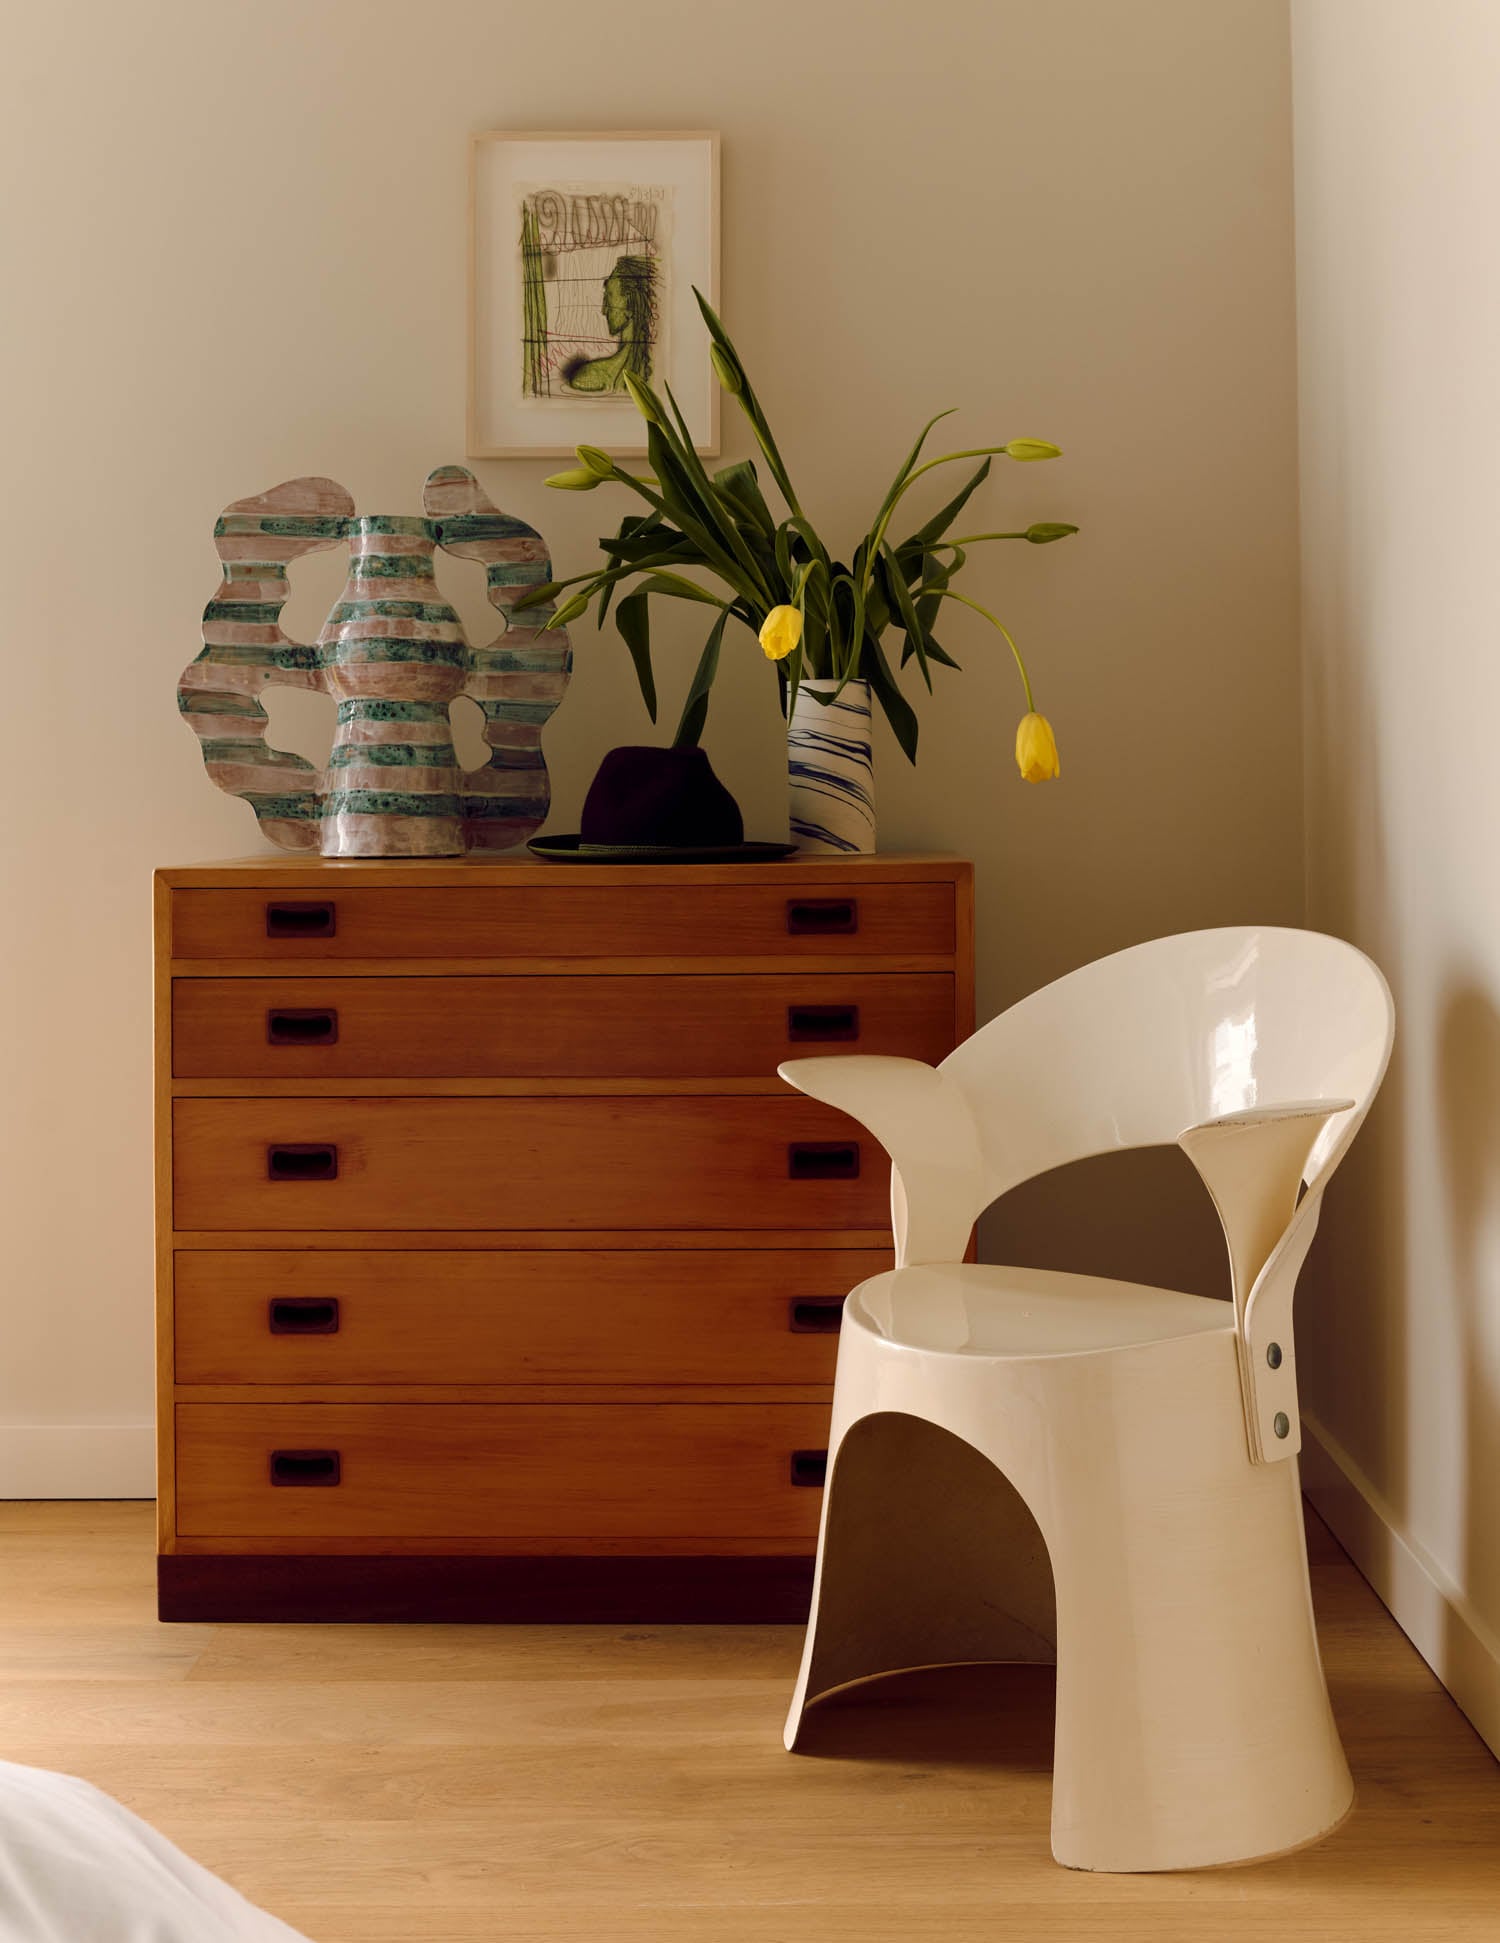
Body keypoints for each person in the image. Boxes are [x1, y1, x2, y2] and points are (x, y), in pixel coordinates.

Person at [562, 254, 657, 394]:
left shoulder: (594, 375)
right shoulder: (646, 370)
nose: (604, 310)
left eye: (609, 298)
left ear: (630, 305)